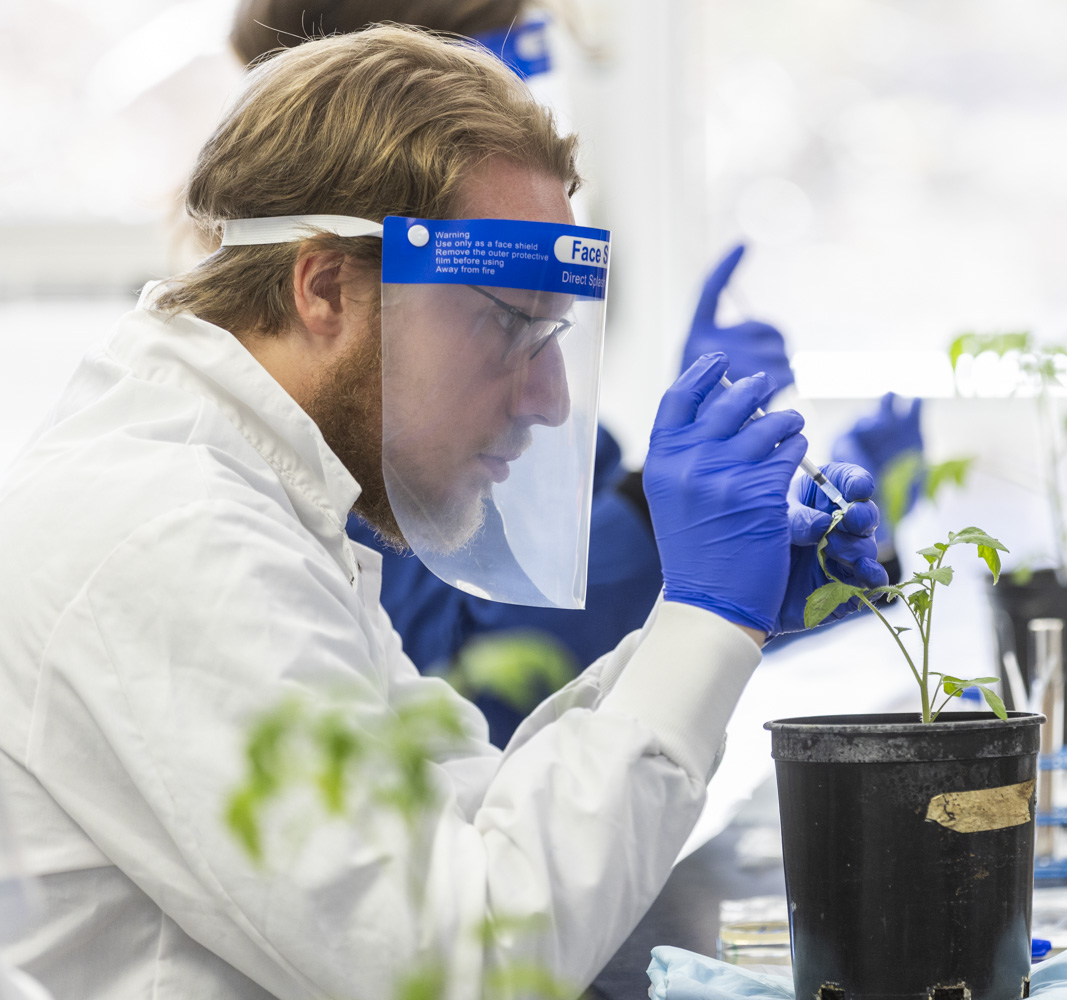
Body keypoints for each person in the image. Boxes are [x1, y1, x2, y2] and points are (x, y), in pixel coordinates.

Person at [0, 26, 883, 998]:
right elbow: (470, 964)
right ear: (326, 287)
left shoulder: (262, 497)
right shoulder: (168, 534)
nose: (549, 397)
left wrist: (708, 630)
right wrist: (704, 617)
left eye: (555, 335)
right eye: (508, 321)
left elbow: (474, 814)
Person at [232, 1, 802, 743]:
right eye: (486, 63)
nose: (516, 95)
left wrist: (750, 588)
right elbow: (461, 684)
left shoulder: (450, 371)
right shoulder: (330, 383)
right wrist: (666, 547)